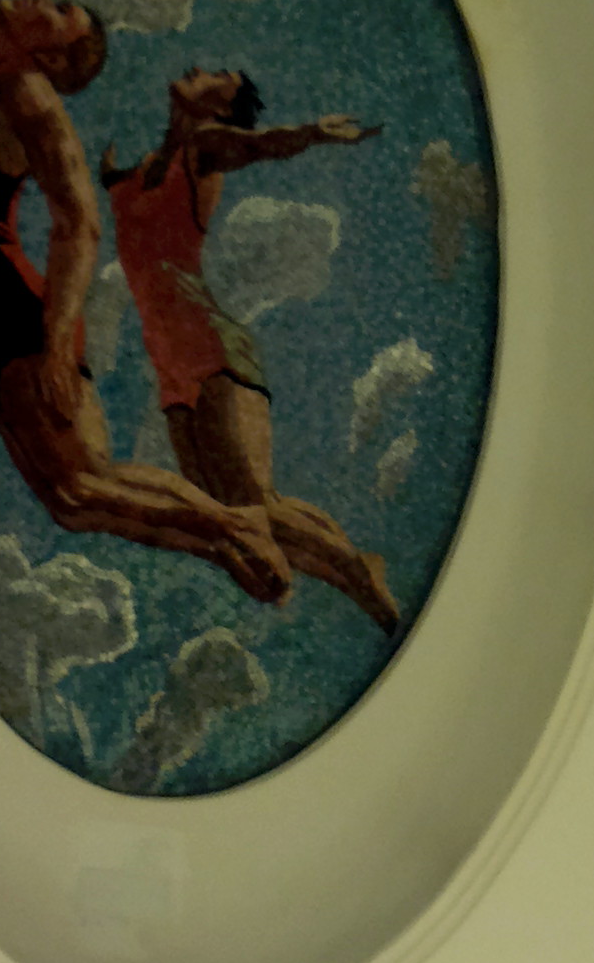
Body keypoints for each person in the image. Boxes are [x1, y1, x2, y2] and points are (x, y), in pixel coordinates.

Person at [0, 0, 291, 605]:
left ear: (53, 56)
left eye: (61, 9)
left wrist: (58, 341)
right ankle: (224, 545)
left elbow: (79, 222)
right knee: (69, 504)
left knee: (87, 481)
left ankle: (236, 523)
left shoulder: (26, 95)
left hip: (23, 317)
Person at [102, 68, 398, 633]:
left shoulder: (203, 147)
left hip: (209, 342)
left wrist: (313, 132)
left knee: (251, 504)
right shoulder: (144, 166)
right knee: (227, 513)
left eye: (220, 77)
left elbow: (262, 145)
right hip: (170, 363)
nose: (200, 70)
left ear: (223, 107)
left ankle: (362, 574)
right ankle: (352, 571)